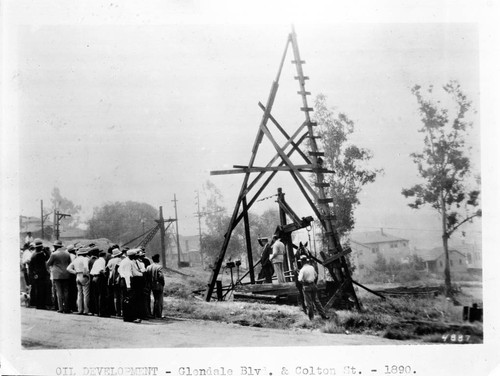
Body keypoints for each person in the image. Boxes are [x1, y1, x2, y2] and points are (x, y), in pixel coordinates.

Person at [46, 240, 72, 313]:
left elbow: (48, 263)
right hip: (66, 274)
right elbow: (70, 263)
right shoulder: (67, 254)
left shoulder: (54, 254)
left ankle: (60, 308)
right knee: (66, 291)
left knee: (59, 291)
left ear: (55, 246)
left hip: (57, 274)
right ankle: (66, 308)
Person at [118, 249, 143, 323]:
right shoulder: (128, 263)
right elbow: (128, 275)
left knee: (126, 299)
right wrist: (128, 286)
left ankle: (127, 317)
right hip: (127, 281)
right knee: (130, 300)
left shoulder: (124, 261)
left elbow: (119, 270)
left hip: (123, 280)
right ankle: (130, 317)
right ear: (132, 256)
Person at [67, 248, 90, 315]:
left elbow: (68, 268)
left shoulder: (75, 259)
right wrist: (85, 274)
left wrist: (75, 272)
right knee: (86, 294)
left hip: (77, 276)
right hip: (84, 275)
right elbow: (86, 267)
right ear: (85, 253)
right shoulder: (85, 259)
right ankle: (86, 310)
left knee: (79, 294)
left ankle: (80, 309)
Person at [28, 239, 50, 309]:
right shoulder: (40, 255)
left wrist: (33, 274)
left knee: (38, 290)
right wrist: (45, 251)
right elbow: (48, 257)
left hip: (36, 275)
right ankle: (42, 304)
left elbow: (31, 267)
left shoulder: (33, 255)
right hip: (42, 274)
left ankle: (38, 304)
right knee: (42, 290)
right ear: (41, 247)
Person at [90, 250, 109, 317]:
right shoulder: (102, 261)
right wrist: (105, 275)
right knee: (102, 295)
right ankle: (102, 312)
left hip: (94, 277)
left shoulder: (97, 260)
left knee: (96, 295)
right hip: (99, 278)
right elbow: (101, 270)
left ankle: (97, 311)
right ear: (104, 256)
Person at [146, 254, 165, 319]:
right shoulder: (159, 267)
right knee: (159, 300)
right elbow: (161, 276)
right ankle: (158, 315)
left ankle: (153, 314)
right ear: (157, 259)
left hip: (151, 285)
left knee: (155, 299)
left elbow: (147, 276)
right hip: (158, 285)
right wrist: (162, 283)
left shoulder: (148, 267)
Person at [106, 247, 123, 317]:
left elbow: (106, 268)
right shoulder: (120, 260)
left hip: (110, 279)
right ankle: (120, 312)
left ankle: (112, 311)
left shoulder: (110, 260)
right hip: (118, 279)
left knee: (111, 296)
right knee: (119, 296)